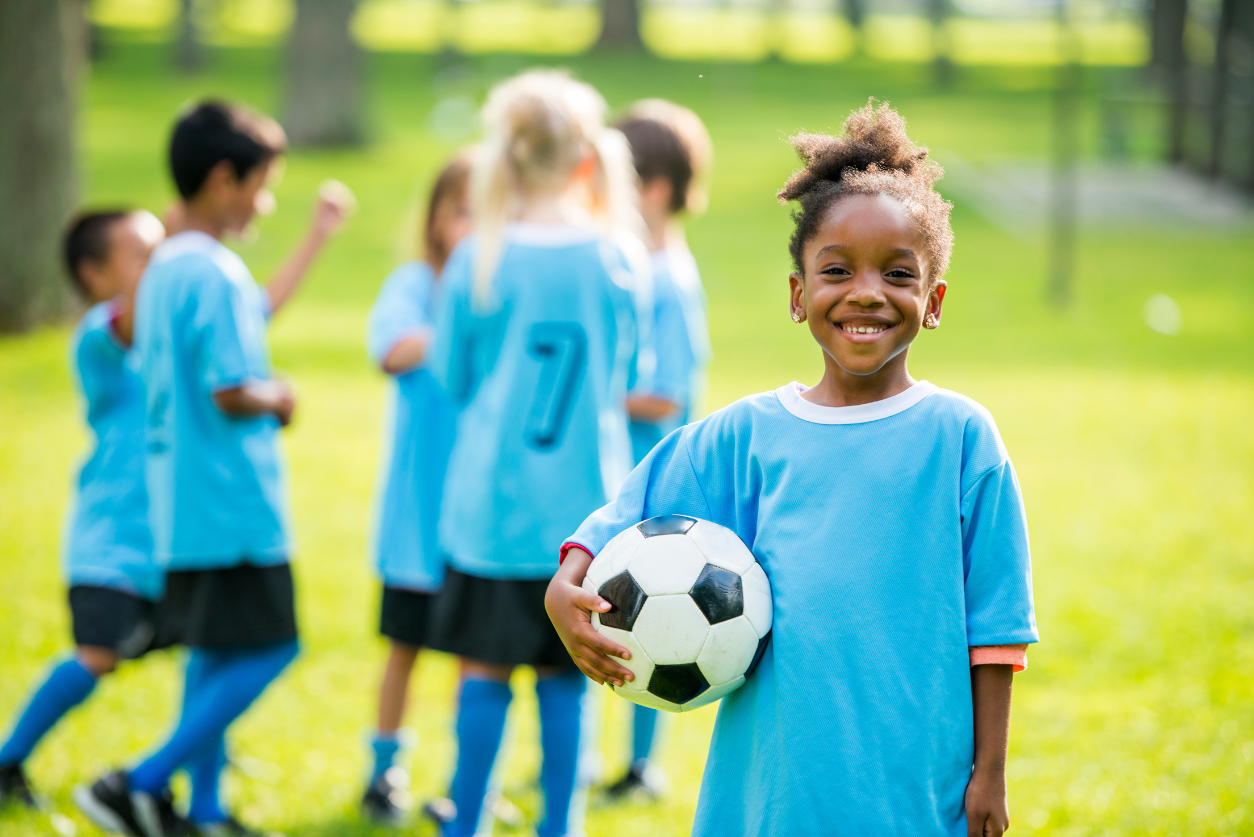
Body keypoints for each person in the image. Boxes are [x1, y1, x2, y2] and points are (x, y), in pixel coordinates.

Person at [548, 102, 1038, 837]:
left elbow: (997, 625)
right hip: (773, 791)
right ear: (798, 294)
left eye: (897, 274)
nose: (866, 292)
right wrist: (568, 580)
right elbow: (634, 501)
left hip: (915, 787)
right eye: (837, 270)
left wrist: (990, 772)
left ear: (932, 301)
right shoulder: (747, 435)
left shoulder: (960, 437)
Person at [74, 100, 354, 837]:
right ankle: (136, 780)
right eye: (262, 185)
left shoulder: (162, 265)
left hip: (178, 498)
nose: (264, 201)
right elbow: (231, 389)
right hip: (232, 501)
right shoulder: (220, 273)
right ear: (225, 179)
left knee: (213, 649)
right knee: (274, 644)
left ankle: (203, 810)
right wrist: (282, 396)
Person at [425, 69, 644, 837]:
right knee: (565, 674)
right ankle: (561, 825)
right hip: (584, 513)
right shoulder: (618, 259)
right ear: (586, 160)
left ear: (505, 162)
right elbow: (627, 374)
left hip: (491, 506)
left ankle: (466, 823)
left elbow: (449, 374)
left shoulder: (477, 259)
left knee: (483, 672)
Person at [0, 210, 167, 810]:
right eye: (143, 256)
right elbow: (130, 320)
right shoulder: (99, 337)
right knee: (97, 657)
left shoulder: (160, 345)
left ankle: (200, 774)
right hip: (113, 545)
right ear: (94, 275)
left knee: (213, 651)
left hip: (168, 545)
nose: (159, 268)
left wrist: (316, 236)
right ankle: (6, 759)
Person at [606, 100, 714, 803]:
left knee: (655, 620)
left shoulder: (665, 277)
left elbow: (666, 394)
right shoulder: (642, 262)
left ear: (647, 187)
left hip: (655, 474)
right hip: (631, 467)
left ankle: (643, 762)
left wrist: (598, 394)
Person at [359, 153, 472, 826]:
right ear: (433, 218)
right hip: (416, 517)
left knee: (473, 659)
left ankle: (464, 781)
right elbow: (392, 350)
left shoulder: (505, 294)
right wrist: (455, 323)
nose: (471, 228)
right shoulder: (414, 285)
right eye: (460, 211)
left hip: (477, 521)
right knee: (404, 649)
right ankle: (383, 772)